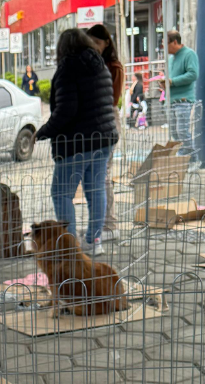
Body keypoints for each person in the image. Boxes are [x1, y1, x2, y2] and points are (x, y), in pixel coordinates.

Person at [34, 28, 118, 255]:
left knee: (61, 193)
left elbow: (66, 110)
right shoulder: (100, 65)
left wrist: (43, 131)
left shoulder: (68, 69)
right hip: (104, 139)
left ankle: (69, 247)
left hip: (76, 143)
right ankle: (93, 241)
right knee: (96, 189)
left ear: (63, 48)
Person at [87, 24, 123, 240]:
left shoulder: (113, 66)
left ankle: (110, 225)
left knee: (103, 176)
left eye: (98, 43)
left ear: (107, 43)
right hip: (95, 121)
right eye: (92, 43)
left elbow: (113, 98)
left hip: (107, 119)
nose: (95, 48)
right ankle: (99, 224)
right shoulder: (94, 63)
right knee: (96, 176)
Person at [166, 31, 199, 159]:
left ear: (175, 42)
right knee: (175, 131)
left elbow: (193, 74)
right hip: (172, 99)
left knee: (182, 131)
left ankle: (192, 158)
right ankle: (186, 156)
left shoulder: (189, 54)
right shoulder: (170, 59)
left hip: (183, 99)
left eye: (166, 44)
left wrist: (172, 82)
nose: (165, 48)